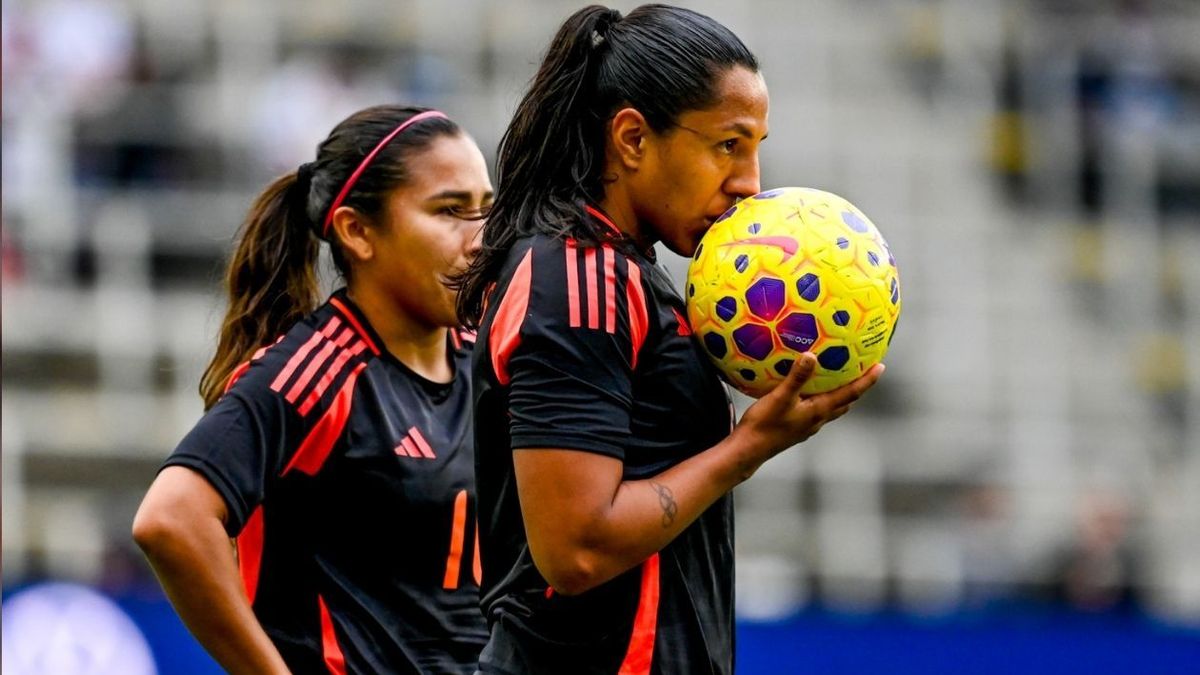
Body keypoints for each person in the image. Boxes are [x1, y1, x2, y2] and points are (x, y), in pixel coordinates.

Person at [455, 5, 885, 674]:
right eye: (728, 145)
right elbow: (576, 550)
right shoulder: (578, 278)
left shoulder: (620, 271)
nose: (750, 183)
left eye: (756, 147)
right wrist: (749, 447)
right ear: (631, 137)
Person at [132, 105, 493, 674]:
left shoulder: (491, 357)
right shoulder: (316, 370)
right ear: (357, 231)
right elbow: (170, 519)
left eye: (485, 211)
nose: (480, 240)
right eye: (450, 211)